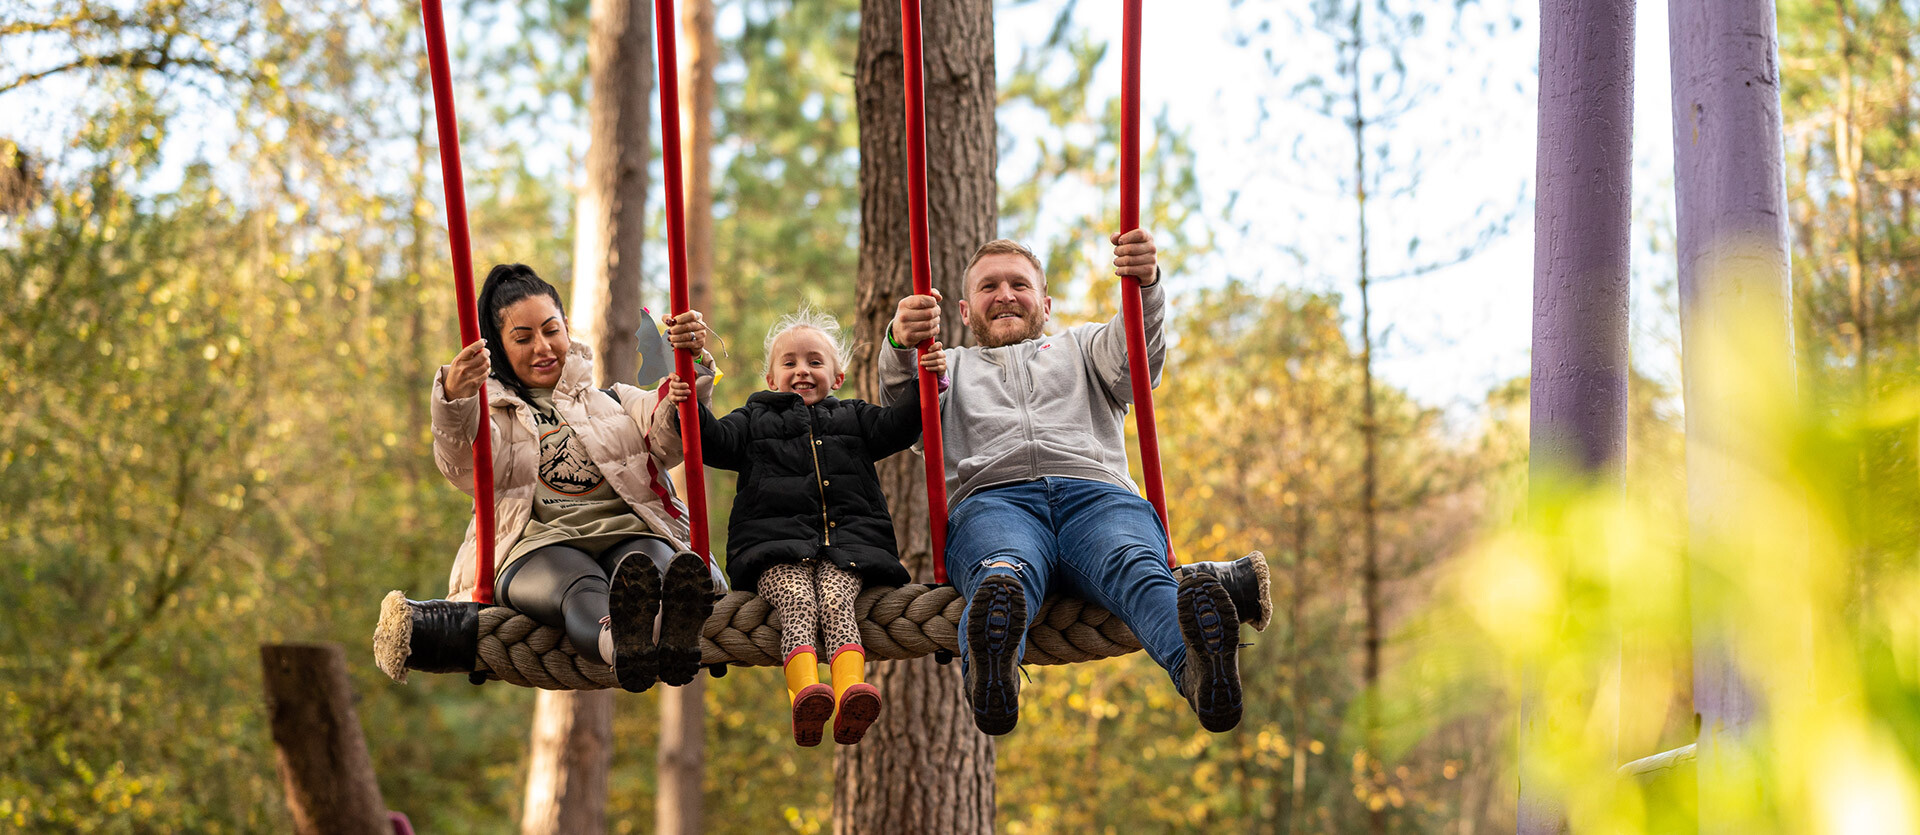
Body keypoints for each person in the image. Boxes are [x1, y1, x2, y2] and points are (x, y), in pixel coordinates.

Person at [880, 231, 1243, 735]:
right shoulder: (948, 367)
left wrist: (1144, 285)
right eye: (989, 287)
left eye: (1018, 285)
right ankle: (991, 670)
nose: (1005, 294)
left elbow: (1138, 352)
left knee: (1135, 566)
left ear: (1045, 303)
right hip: (994, 501)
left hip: (1096, 496)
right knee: (1003, 573)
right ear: (964, 311)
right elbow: (903, 415)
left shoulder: (1083, 347)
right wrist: (902, 344)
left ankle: (1201, 669)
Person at [433, 263, 722, 692]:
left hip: (629, 533)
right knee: (579, 584)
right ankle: (620, 644)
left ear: (567, 327)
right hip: (538, 545)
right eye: (523, 338)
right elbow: (463, 459)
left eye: (551, 330)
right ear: (498, 347)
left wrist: (691, 365)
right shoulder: (490, 415)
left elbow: (670, 431)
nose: (543, 347)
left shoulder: (616, 401)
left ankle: (669, 632)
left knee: (659, 568)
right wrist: (456, 398)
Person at [692, 308, 946, 746]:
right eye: (789, 363)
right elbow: (711, 442)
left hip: (845, 548)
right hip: (773, 549)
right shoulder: (752, 421)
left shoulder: (855, 419)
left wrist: (927, 384)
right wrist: (690, 397)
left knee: (835, 600)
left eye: (814, 361)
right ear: (771, 379)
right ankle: (806, 693)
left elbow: (901, 426)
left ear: (838, 376)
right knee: (797, 602)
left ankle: (851, 691)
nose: (802, 371)